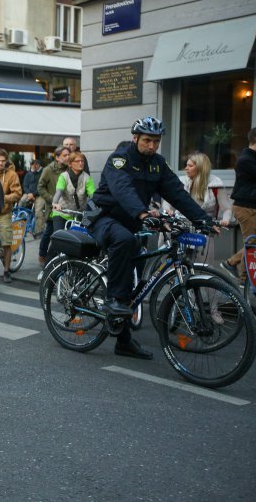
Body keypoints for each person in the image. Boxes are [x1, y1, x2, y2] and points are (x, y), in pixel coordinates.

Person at [87, 116, 211, 360]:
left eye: (156, 141)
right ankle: (113, 299)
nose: (152, 146)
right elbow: (123, 188)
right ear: (135, 138)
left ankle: (123, 340)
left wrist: (201, 219)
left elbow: (176, 193)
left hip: (131, 221)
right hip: (103, 217)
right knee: (125, 241)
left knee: (134, 279)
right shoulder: (119, 159)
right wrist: (143, 212)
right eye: (147, 141)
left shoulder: (157, 164)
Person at [162, 152, 232, 263]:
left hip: (203, 227)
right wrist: (167, 210)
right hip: (181, 225)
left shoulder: (215, 184)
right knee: (173, 261)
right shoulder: (181, 181)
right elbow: (167, 200)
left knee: (202, 264)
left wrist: (225, 220)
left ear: (200, 167)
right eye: (186, 165)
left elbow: (227, 208)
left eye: (190, 166)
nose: (186, 168)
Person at [222, 128, 256, 282]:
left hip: (252, 206)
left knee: (254, 243)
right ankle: (244, 279)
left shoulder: (253, 158)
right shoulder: (245, 160)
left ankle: (232, 263)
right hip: (246, 207)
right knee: (252, 243)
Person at [0, 149, 22, 284]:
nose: (0, 163)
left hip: (4, 213)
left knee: (6, 242)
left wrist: (3, 198)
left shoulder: (12, 175)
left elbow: (17, 193)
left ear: (6, 161)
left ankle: (6, 271)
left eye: (3, 161)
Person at [37, 145, 70, 265]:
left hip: (67, 208)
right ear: (57, 157)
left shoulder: (70, 169)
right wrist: (52, 200)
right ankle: (42, 254)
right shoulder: (48, 170)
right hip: (53, 207)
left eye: (68, 155)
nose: (67, 158)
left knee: (61, 234)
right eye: (64, 155)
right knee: (49, 232)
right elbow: (40, 187)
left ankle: (55, 260)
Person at [51, 152, 95, 231]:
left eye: (82, 161)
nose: (81, 163)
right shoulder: (63, 176)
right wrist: (55, 203)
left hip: (79, 214)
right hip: (61, 212)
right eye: (77, 161)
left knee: (81, 237)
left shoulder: (87, 177)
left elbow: (92, 194)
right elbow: (59, 191)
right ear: (70, 164)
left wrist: (95, 206)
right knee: (59, 236)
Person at [19, 159, 45, 236]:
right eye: (32, 164)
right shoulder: (28, 174)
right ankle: (21, 222)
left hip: (40, 194)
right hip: (29, 194)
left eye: (36, 164)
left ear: (39, 165)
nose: (34, 166)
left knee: (38, 211)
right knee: (21, 203)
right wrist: (29, 193)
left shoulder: (43, 173)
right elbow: (25, 186)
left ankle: (38, 231)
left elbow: (42, 186)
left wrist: (33, 194)